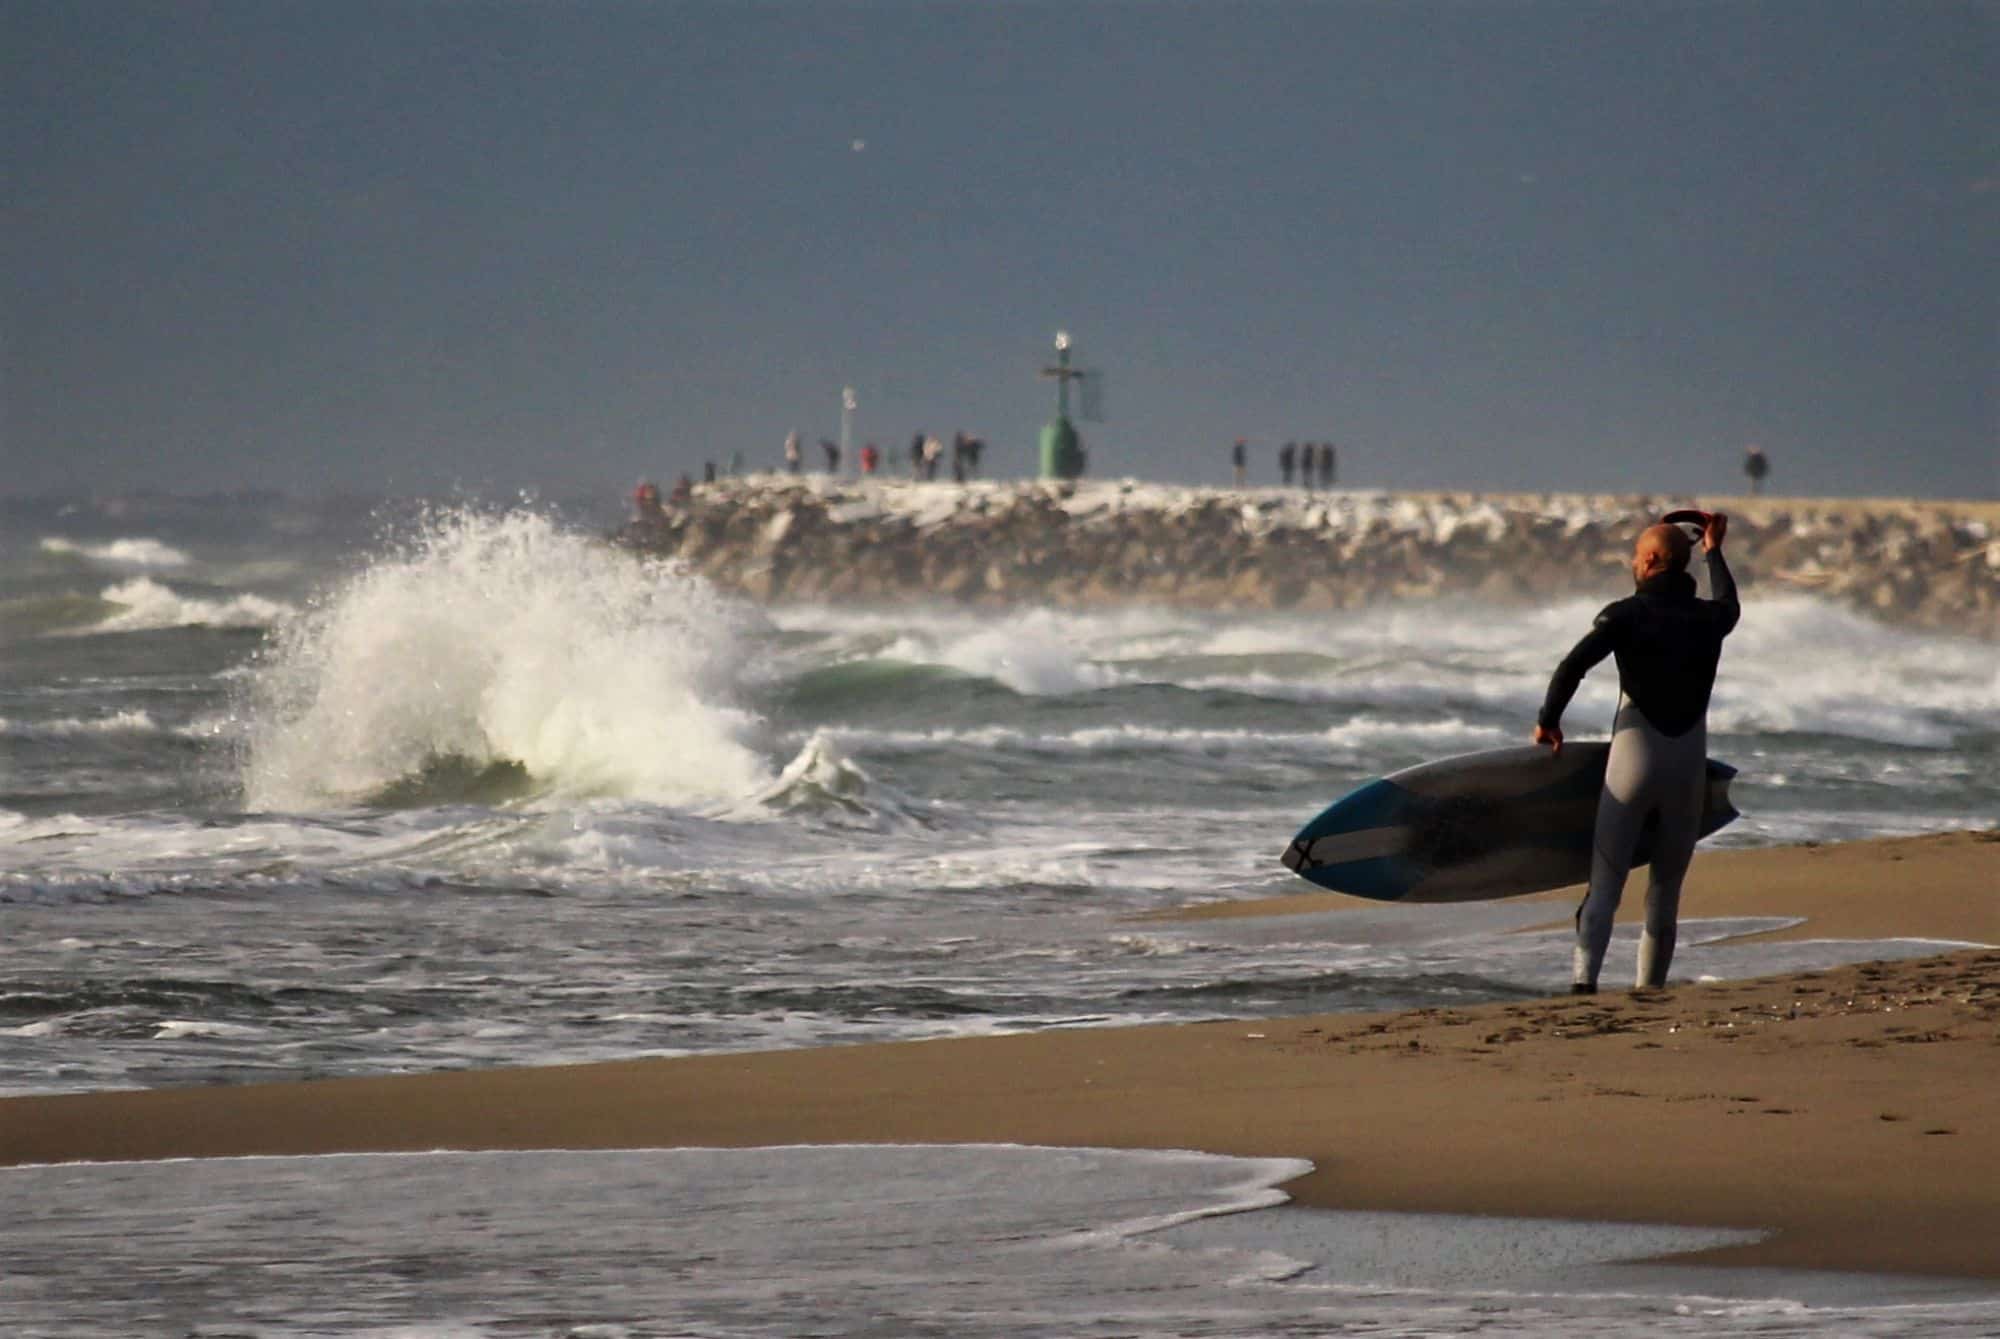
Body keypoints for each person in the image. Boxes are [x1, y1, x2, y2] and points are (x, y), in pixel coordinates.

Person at [1533, 512, 1739, 994]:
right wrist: (1712, 549)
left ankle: (1584, 986)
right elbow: (1728, 600)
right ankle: (1650, 991)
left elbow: (1572, 666)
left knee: (1606, 883)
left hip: (1633, 764)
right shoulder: (1711, 620)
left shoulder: (1624, 615)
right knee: (1665, 892)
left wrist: (1549, 721)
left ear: (1649, 561)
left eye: (1635, 556)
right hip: (1686, 767)